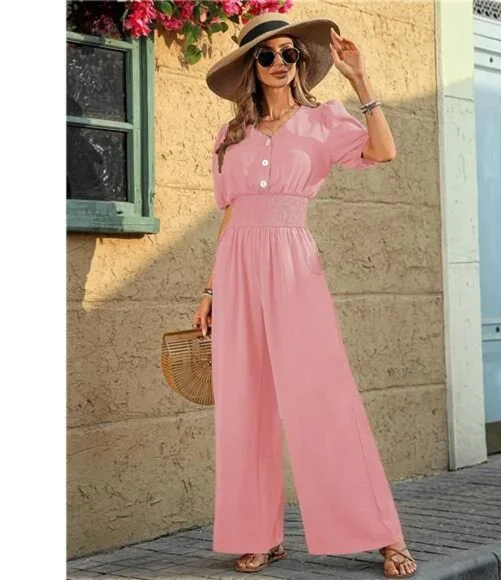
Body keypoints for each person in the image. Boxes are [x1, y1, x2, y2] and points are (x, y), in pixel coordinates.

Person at [193, 12, 417, 579]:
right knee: (245, 403)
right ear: (251, 67)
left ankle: (383, 534)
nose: (278, 63)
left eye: (289, 54)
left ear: (300, 63)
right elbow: (229, 215)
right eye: (266, 55)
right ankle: (259, 535)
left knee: (324, 395)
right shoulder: (229, 135)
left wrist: (361, 82)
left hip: (293, 262)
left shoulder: (323, 120)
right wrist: (211, 289)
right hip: (237, 266)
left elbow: (384, 151)